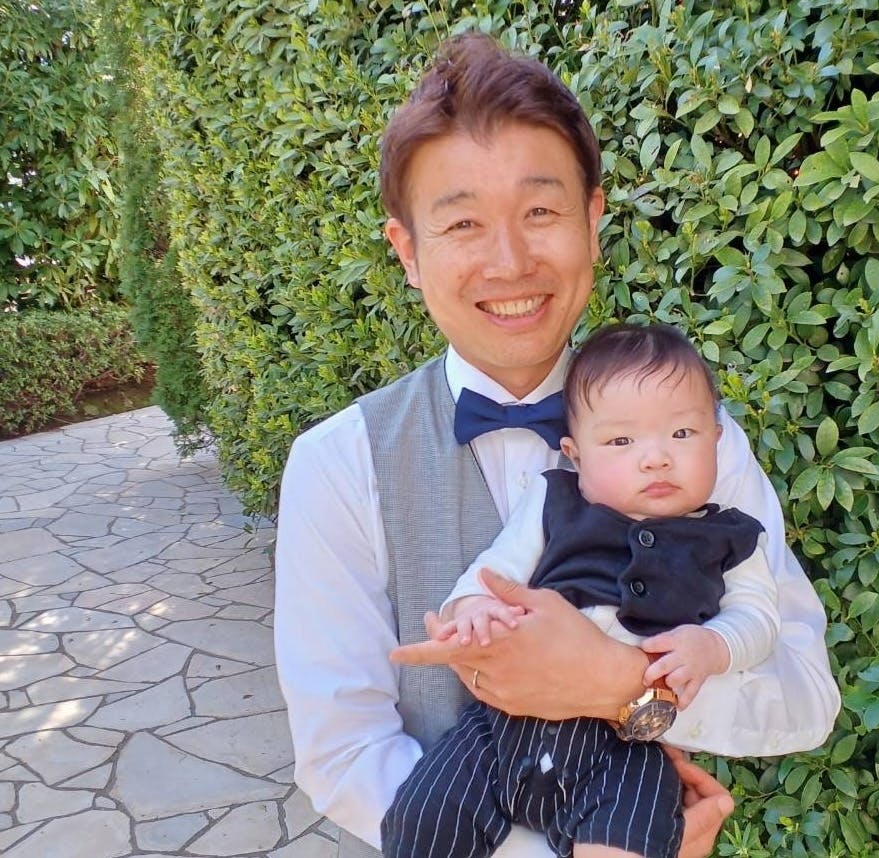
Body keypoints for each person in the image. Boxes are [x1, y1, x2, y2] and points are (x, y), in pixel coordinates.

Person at [273, 31, 840, 858]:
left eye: (540, 212)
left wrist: (619, 686)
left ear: (593, 220)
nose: (509, 261)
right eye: (462, 222)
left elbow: (805, 696)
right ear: (408, 253)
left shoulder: (698, 444)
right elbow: (343, 753)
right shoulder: (338, 463)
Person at [381, 323, 783, 858]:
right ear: (575, 454)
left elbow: (759, 617)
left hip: (626, 750)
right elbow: (494, 569)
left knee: (628, 838)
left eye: (682, 433)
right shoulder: (555, 501)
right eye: (621, 441)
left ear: (717, 436)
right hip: (499, 729)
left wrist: (714, 645)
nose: (656, 457)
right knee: (423, 815)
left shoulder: (732, 536)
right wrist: (473, 609)